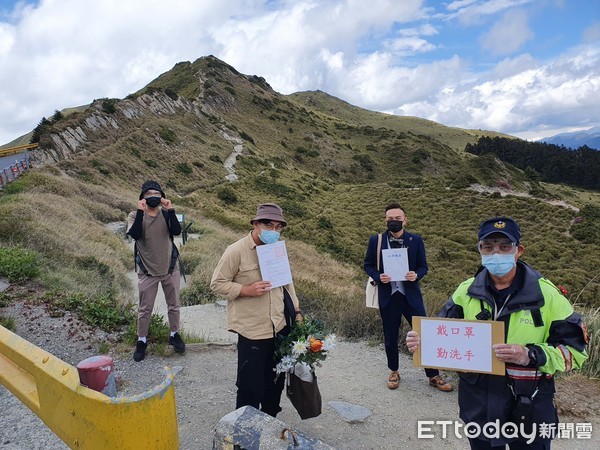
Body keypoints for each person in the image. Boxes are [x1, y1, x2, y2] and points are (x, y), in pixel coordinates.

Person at [406, 216, 588, 449]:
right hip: (479, 404)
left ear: (518, 250)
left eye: (505, 247)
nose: (496, 253)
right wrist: (421, 341)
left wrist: (530, 355)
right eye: (488, 246)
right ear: (479, 249)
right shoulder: (466, 291)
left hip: (528, 405)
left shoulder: (548, 296)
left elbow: (576, 351)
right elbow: (442, 332)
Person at [210, 203, 301, 417]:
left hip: (279, 326)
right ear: (255, 224)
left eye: (278, 227)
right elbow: (217, 283)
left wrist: (296, 312)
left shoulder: (277, 250)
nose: (274, 230)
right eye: (268, 224)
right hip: (252, 331)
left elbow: (288, 284)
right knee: (250, 386)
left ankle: (269, 421)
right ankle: (244, 432)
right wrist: (245, 289)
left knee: (275, 382)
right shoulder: (236, 251)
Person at [364, 202, 452, 391]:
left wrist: (416, 275)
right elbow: (368, 265)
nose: (393, 221)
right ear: (385, 220)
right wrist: (379, 276)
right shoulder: (376, 241)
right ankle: (394, 371)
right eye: (390, 219)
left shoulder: (416, 240)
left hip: (411, 296)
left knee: (424, 334)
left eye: (397, 218)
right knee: (390, 336)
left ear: (405, 220)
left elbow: (424, 266)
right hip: (388, 296)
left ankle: (433, 374)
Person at [126, 180, 185, 362]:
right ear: (142, 197)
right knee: (145, 309)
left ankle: (174, 334)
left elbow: (176, 231)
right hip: (147, 270)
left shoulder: (166, 214)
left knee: (174, 304)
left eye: (156, 194)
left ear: (162, 197)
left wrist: (171, 209)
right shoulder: (134, 215)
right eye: (148, 194)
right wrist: (141, 213)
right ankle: (141, 340)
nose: (153, 197)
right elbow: (135, 235)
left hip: (170, 267)